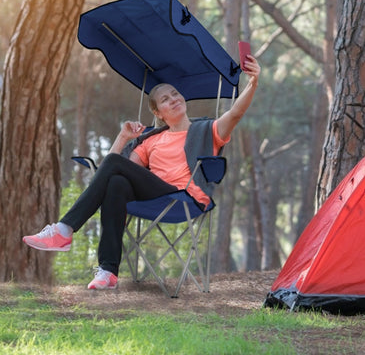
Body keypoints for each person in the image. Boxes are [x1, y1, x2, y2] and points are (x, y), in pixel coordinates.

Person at [23, 54, 261, 290]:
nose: (174, 99)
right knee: (116, 182)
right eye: (166, 99)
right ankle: (108, 271)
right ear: (158, 113)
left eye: (175, 94)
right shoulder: (150, 140)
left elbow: (235, 114)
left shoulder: (207, 129)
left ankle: (64, 229)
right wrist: (124, 137)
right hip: (154, 195)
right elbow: (112, 168)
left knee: (115, 168)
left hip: (185, 197)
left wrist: (252, 83)